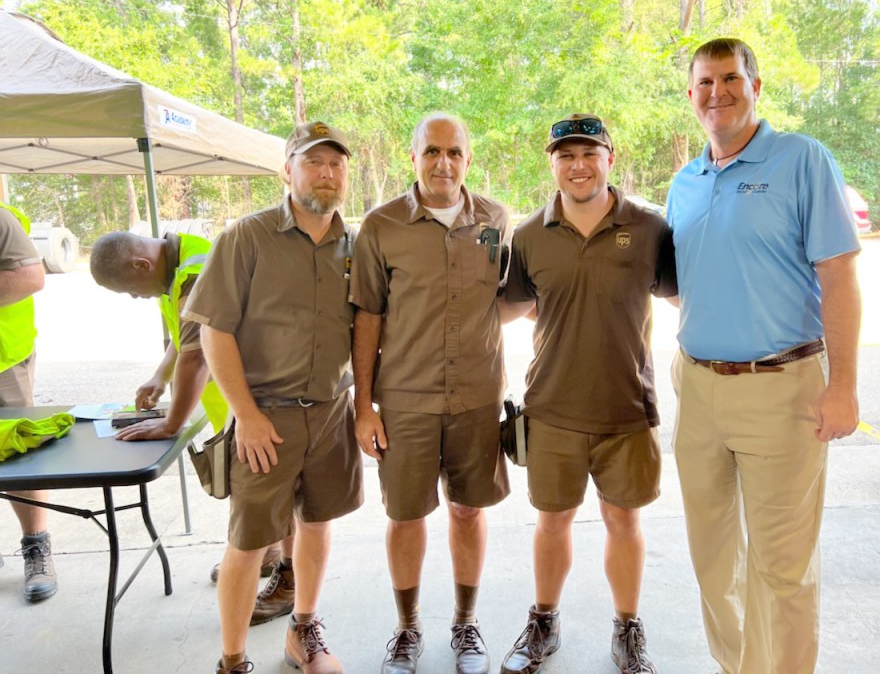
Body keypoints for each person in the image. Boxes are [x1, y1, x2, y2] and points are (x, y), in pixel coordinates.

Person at [666, 38, 861, 674]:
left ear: (756, 87)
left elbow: (839, 277)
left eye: (730, 79)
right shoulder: (684, 183)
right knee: (713, 558)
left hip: (782, 387)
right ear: (690, 95)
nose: (716, 93)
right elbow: (693, 279)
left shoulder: (802, 159)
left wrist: (844, 386)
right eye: (704, 83)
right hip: (696, 389)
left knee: (783, 567)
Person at [182, 121, 364, 674]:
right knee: (249, 540)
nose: (326, 173)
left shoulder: (357, 245)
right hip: (267, 417)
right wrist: (246, 416)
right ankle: (232, 661)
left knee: (316, 524)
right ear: (287, 171)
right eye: (313, 162)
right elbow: (214, 330)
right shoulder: (247, 237)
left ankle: (302, 632)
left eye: (336, 164)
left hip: (333, 414)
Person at [497, 114, 676, 674]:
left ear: (609, 159)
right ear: (551, 164)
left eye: (589, 154)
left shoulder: (649, 229)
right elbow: (506, 308)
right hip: (552, 408)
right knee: (553, 522)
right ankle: (544, 622)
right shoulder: (528, 236)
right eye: (565, 156)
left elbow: (686, 297)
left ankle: (628, 628)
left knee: (625, 522)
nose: (577, 166)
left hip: (627, 408)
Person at [349, 112, 511, 674]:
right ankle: (407, 628)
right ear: (412, 156)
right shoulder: (381, 225)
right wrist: (362, 406)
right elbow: (367, 316)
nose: (444, 163)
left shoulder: (495, 219)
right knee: (406, 516)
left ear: (469, 157)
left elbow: (511, 298)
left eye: (455, 152)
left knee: (468, 512)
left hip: (477, 397)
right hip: (405, 400)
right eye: (432, 152)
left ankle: (466, 625)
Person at [89, 230, 293, 625]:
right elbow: (186, 334)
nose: (135, 297)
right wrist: (160, 376)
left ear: (141, 265)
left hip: (261, 399)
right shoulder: (178, 266)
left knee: (279, 490)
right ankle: (268, 553)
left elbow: (197, 358)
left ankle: (289, 581)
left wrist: (171, 424)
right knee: (257, 486)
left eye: (131, 289)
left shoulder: (194, 271)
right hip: (239, 403)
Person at [0, 202, 58, 603]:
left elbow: (30, 277)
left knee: (19, 455)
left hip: (3, 359)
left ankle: (36, 546)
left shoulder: (0, 219)